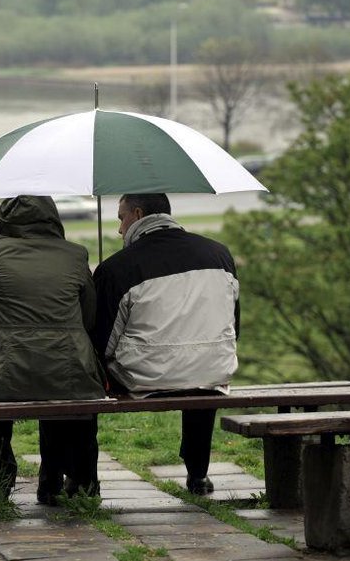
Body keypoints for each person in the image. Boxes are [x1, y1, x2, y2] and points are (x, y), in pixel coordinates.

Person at [92, 193, 240, 496]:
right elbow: (234, 324)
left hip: (143, 377)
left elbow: (101, 344)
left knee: (88, 372)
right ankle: (198, 473)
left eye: (121, 218)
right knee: (200, 368)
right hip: (212, 370)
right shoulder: (220, 254)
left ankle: (85, 478)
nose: (120, 229)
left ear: (136, 213)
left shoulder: (117, 268)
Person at [0, 195, 106, 504]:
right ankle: (58, 477)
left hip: (3, 368)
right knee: (60, 381)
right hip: (68, 368)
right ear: (53, 219)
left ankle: (2, 468)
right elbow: (89, 317)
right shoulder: (75, 255)